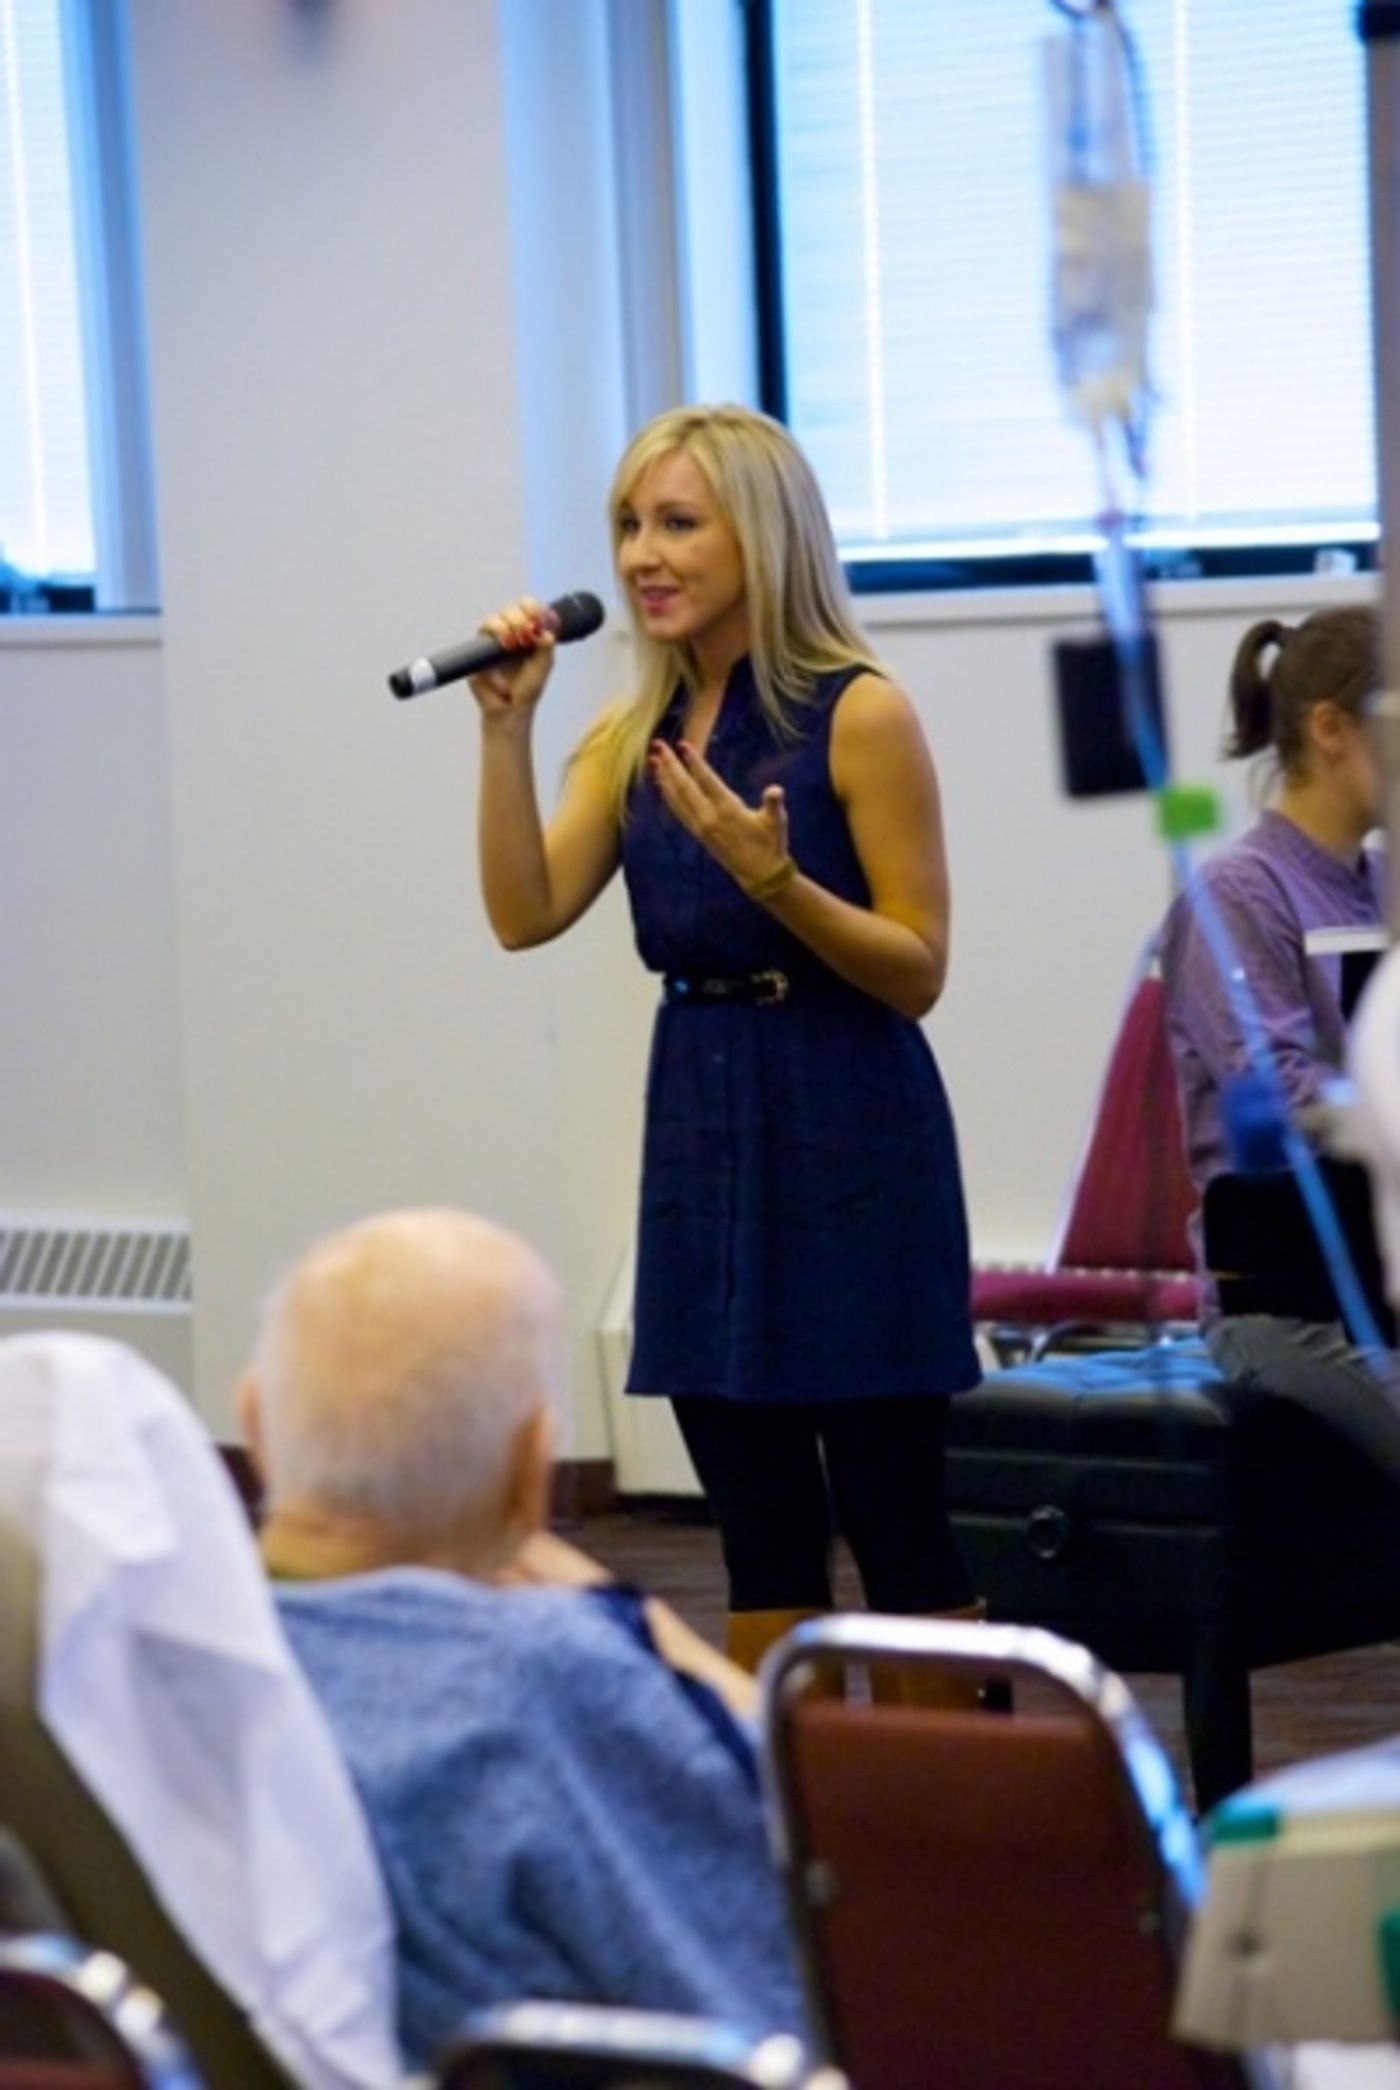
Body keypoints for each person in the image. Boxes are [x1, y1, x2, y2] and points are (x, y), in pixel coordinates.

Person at [468, 402, 981, 1674]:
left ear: (760, 536)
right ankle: (789, 1834)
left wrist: (779, 886)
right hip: (699, 1122)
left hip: (848, 1119)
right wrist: (502, 728)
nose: (643, 553)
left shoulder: (859, 713)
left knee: (895, 1516)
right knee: (756, 1526)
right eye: (630, 525)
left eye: (678, 523)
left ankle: (960, 1835)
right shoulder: (625, 737)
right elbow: (521, 913)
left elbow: (916, 970)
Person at [237, 1206, 808, 2070]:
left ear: (256, 1428)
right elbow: (773, 1990)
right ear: (531, 1467)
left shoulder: (165, 1658)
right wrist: (647, 1636)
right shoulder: (552, 1676)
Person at [1158, 605, 1400, 1475]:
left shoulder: (1382, 882)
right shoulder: (1238, 894)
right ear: (1332, 729)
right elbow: (1282, 1095)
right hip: (1290, 1307)